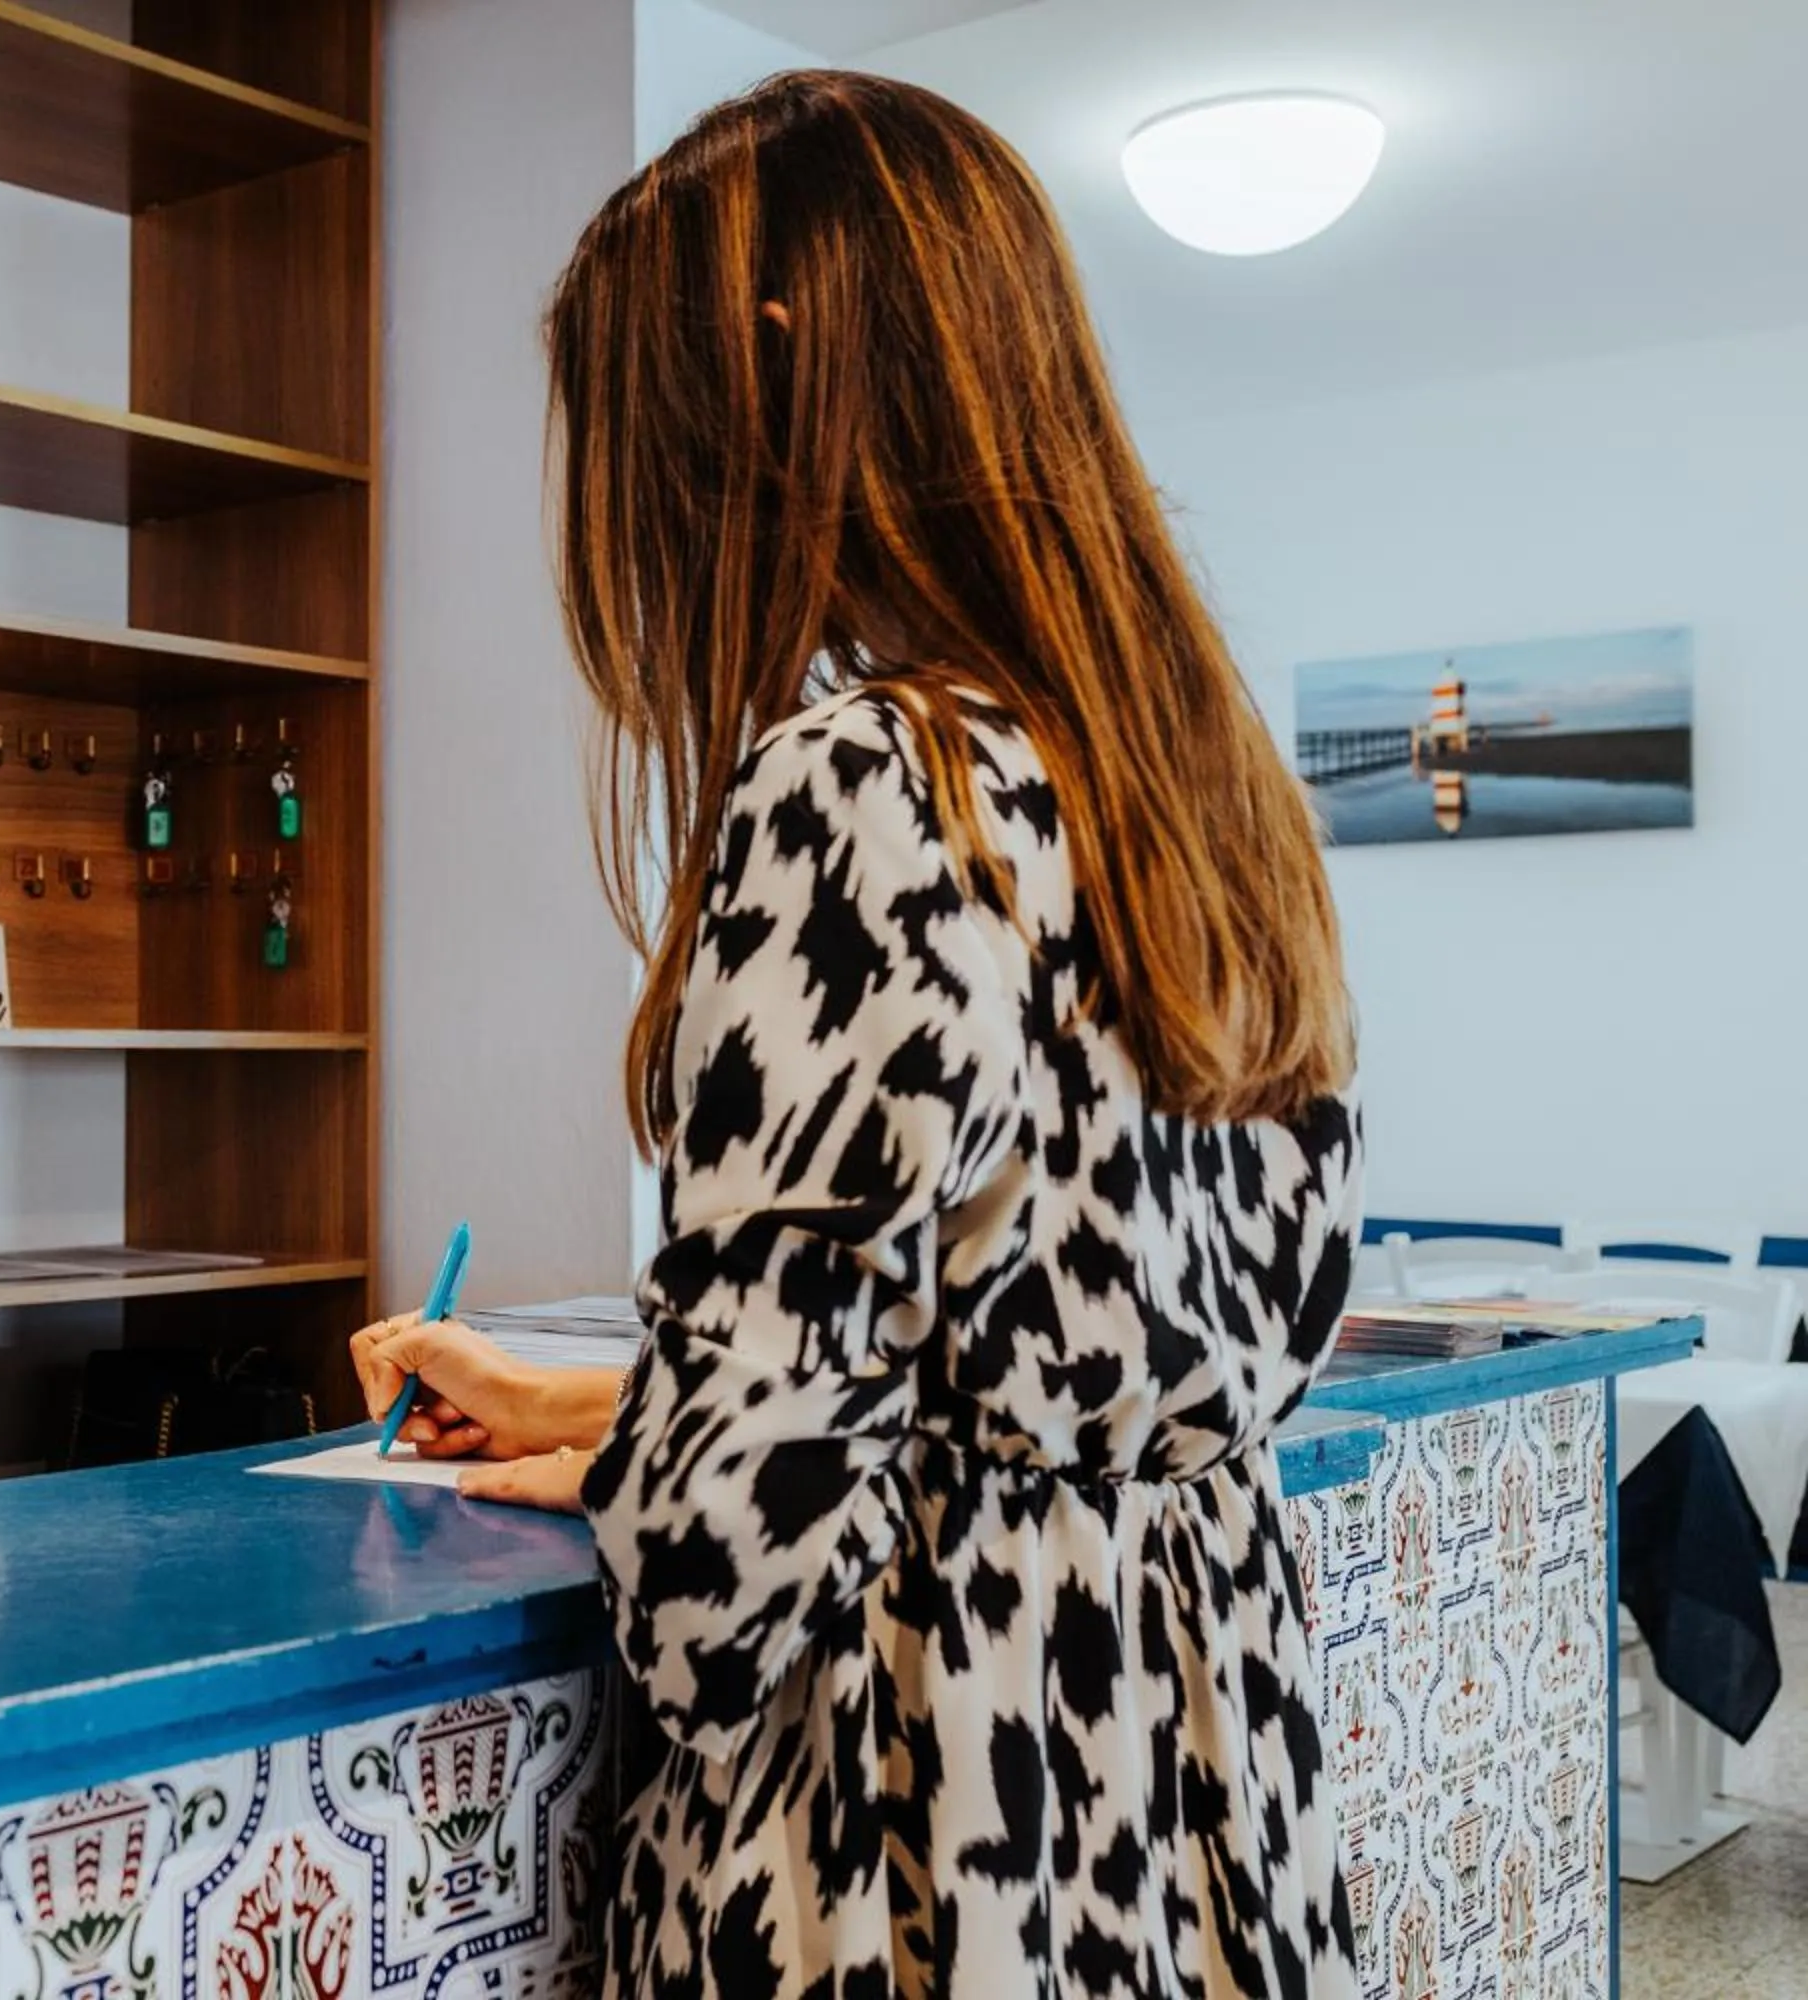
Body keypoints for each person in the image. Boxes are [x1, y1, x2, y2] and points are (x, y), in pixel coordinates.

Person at [354, 70, 1362, 1999]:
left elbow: (725, 1573)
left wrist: (668, 1462)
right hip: (1206, 1773)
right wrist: (629, 1412)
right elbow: (1104, 1334)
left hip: (933, 1822)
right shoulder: (1200, 789)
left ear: (779, 369)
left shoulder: (871, 780)